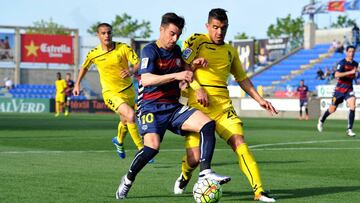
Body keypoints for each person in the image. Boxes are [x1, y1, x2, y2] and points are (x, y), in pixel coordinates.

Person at [115, 12, 231, 200]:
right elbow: (146, 78)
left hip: (173, 107)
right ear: (161, 29)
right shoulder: (149, 50)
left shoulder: (177, 51)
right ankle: (128, 179)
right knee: (152, 148)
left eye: (178, 34)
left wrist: (193, 66)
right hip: (150, 107)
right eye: (171, 33)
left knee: (208, 124)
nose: (174, 38)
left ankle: (205, 173)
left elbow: (184, 71)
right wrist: (176, 76)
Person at [174, 8, 278, 202]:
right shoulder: (196, 40)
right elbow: (183, 65)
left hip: (223, 109)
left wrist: (260, 99)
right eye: (215, 27)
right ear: (207, 26)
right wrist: (197, 87)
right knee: (194, 159)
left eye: (223, 28)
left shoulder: (230, 51)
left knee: (240, 142)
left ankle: (259, 191)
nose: (219, 32)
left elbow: (242, 78)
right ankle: (185, 175)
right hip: (198, 109)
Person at [73, 23, 144, 159]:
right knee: (130, 115)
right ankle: (142, 149)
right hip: (110, 93)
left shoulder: (123, 48)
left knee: (125, 121)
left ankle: (119, 141)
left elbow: (138, 63)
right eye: (103, 33)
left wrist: (130, 70)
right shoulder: (94, 53)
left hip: (128, 91)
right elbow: (84, 67)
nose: (107, 35)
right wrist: (77, 84)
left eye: (109, 32)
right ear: (98, 35)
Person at [317, 45, 358, 137]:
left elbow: (354, 75)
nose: (352, 53)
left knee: (353, 105)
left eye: (353, 51)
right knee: (332, 109)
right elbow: (336, 75)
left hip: (349, 89)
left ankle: (349, 129)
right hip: (339, 90)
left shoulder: (355, 64)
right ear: (347, 52)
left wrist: (355, 78)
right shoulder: (342, 63)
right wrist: (350, 72)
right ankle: (321, 120)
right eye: (350, 51)